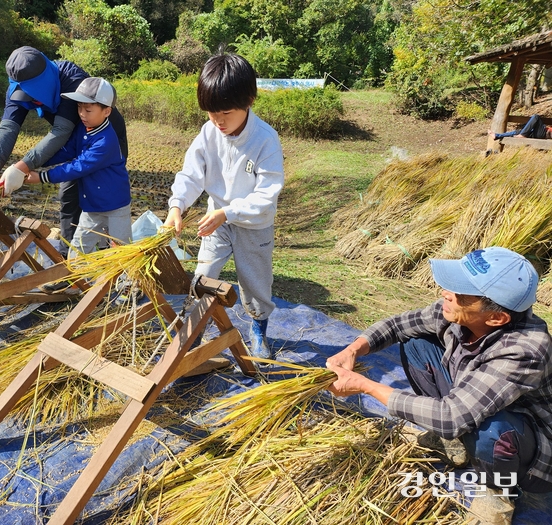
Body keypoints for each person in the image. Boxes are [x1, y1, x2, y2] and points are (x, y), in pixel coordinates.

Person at [326, 247, 552, 525]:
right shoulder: (458, 313)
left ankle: (498, 490)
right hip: (470, 402)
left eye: (460, 293)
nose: (446, 293)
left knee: (491, 430)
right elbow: (399, 325)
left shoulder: (525, 350)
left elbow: (451, 415)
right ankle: (455, 443)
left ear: (496, 318)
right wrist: (353, 349)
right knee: (416, 344)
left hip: (524, 438)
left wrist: (365, 386)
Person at [163, 52, 285, 359]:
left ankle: (259, 328)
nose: (218, 121)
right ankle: (195, 331)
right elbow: (191, 174)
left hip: (253, 225)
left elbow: (266, 195)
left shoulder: (265, 140)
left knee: (256, 283)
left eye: (226, 113)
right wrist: (177, 206)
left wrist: (227, 213)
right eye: (211, 113)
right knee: (203, 276)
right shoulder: (208, 134)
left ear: (249, 101)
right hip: (216, 220)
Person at [0, 46, 128, 258]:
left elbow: (61, 131)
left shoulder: (72, 82)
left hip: (102, 143)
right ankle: (70, 264)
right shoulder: (19, 87)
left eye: (37, 97)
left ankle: (106, 259)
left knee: (95, 197)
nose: (34, 102)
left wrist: (24, 167)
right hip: (74, 143)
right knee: (71, 199)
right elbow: (8, 127)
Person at [24, 77, 131, 257]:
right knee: (78, 247)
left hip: (115, 207)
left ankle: (127, 284)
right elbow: (68, 151)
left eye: (88, 109)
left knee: (122, 251)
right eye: (79, 108)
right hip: (91, 207)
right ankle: (74, 282)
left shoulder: (105, 141)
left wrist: (41, 177)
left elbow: (77, 167)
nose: (82, 114)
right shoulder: (84, 129)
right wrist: (34, 162)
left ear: (107, 112)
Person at [488, 114, 552, 140]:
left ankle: (522, 134)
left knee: (536, 117)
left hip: (545, 134)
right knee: (519, 131)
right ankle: (497, 136)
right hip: (541, 133)